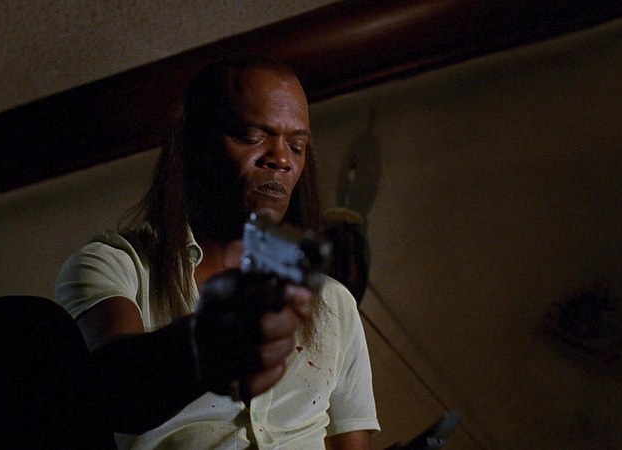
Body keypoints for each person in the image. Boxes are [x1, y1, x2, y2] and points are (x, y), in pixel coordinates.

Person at [55, 56, 380, 449]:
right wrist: (202, 346)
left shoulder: (334, 302)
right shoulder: (114, 265)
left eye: (296, 146)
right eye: (252, 136)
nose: (281, 159)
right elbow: (112, 388)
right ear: (196, 145)